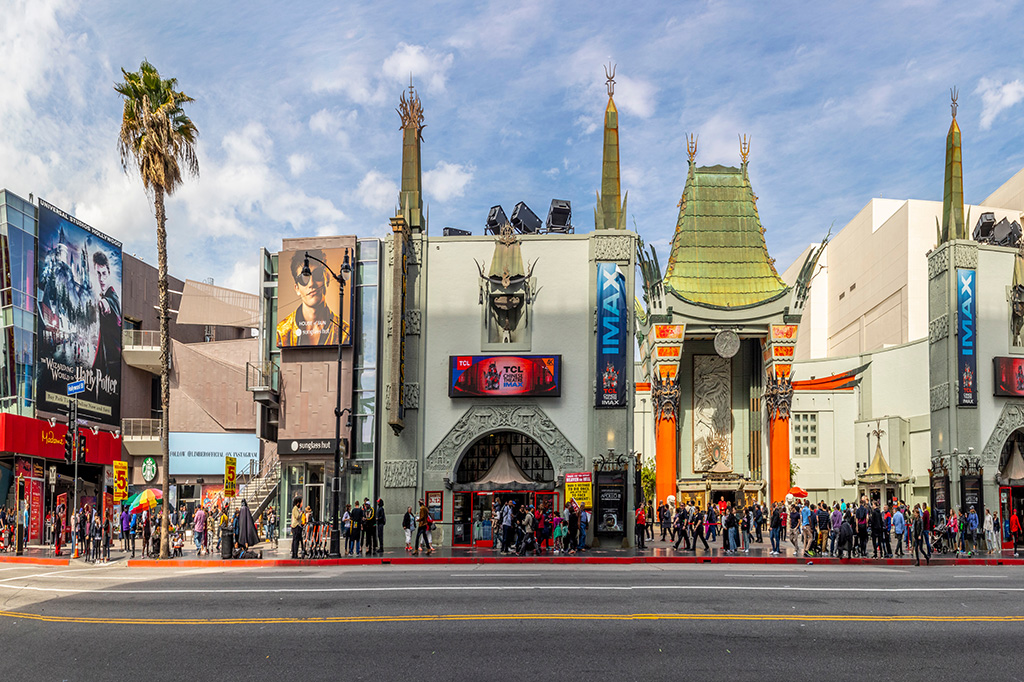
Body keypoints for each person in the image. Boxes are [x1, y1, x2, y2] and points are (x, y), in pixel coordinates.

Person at [276, 249, 348, 347]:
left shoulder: (344, 332)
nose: (311, 284)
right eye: (303, 279)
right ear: (297, 288)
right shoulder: (281, 332)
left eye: (317, 275)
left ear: (326, 278)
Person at [92, 250, 121, 378]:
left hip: (113, 365)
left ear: (108, 273)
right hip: (107, 364)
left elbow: (113, 303)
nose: (101, 278)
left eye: (104, 273)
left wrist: (105, 302)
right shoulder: (103, 294)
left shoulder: (111, 295)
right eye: (98, 274)